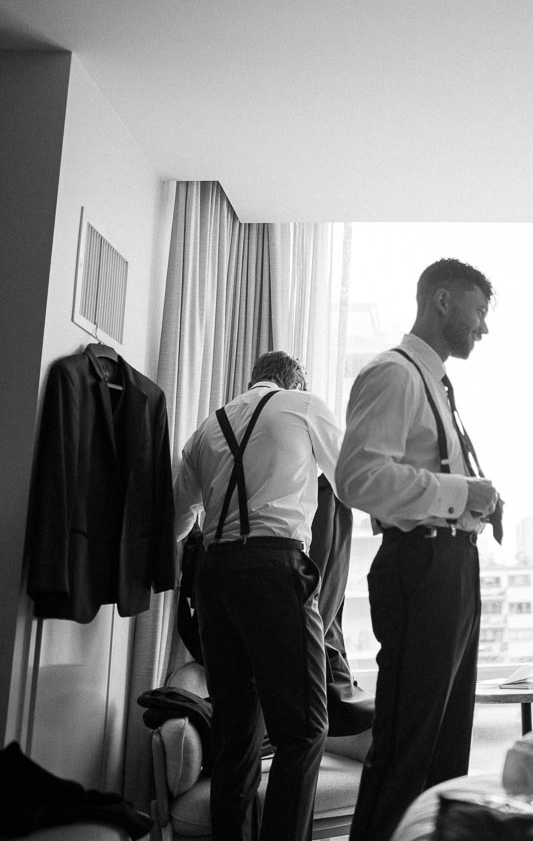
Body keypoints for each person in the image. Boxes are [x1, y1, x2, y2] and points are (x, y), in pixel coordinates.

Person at [335, 258, 501, 841]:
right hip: (421, 565)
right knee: (410, 738)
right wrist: (462, 492)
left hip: (453, 563)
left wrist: (473, 502)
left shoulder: (436, 381)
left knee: (447, 738)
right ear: (442, 301)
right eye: (479, 311)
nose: (484, 328)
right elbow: (357, 479)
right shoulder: (394, 374)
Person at [172, 351, 339, 841]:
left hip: (215, 577)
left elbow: (179, 519)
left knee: (235, 734)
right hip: (274, 570)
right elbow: (352, 478)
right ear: (294, 382)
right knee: (304, 729)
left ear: (253, 382)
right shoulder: (302, 406)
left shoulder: (207, 428)